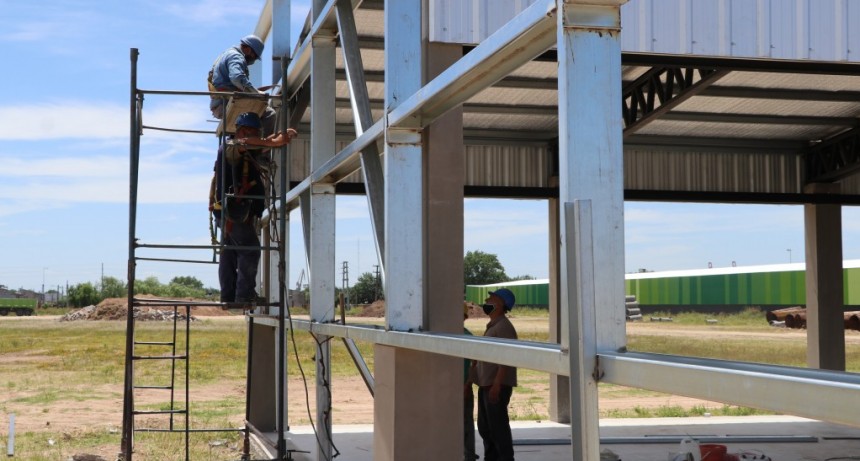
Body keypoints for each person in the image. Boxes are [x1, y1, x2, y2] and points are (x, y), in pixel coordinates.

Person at [213, 111, 297, 305]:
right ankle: (244, 295)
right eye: (251, 132)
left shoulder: (244, 148)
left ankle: (229, 295)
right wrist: (275, 143)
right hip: (235, 212)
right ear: (241, 131)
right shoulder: (231, 146)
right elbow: (245, 145)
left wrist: (277, 136)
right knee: (250, 250)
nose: (255, 136)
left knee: (230, 252)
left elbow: (257, 144)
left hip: (231, 213)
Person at [474, 288, 518, 461]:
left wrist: (497, 385)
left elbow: (507, 358)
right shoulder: (494, 325)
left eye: (491, 299)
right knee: (486, 428)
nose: (486, 300)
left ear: (500, 305)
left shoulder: (504, 327)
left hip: (495, 385)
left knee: (497, 428)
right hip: (487, 384)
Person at [208, 35, 276, 134]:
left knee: (246, 122)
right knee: (269, 114)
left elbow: (232, 83)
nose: (253, 60)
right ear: (248, 49)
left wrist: (253, 91)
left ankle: (241, 142)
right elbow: (237, 78)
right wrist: (255, 93)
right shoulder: (236, 56)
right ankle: (261, 147)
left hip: (221, 102)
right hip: (225, 102)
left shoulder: (228, 54)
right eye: (255, 56)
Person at [464, 303, 479, 461]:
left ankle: (468, 454)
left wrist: (467, 384)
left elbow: (474, 363)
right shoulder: (465, 336)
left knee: (466, 422)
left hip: (463, 387)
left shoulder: (467, 337)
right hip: (454, 387)